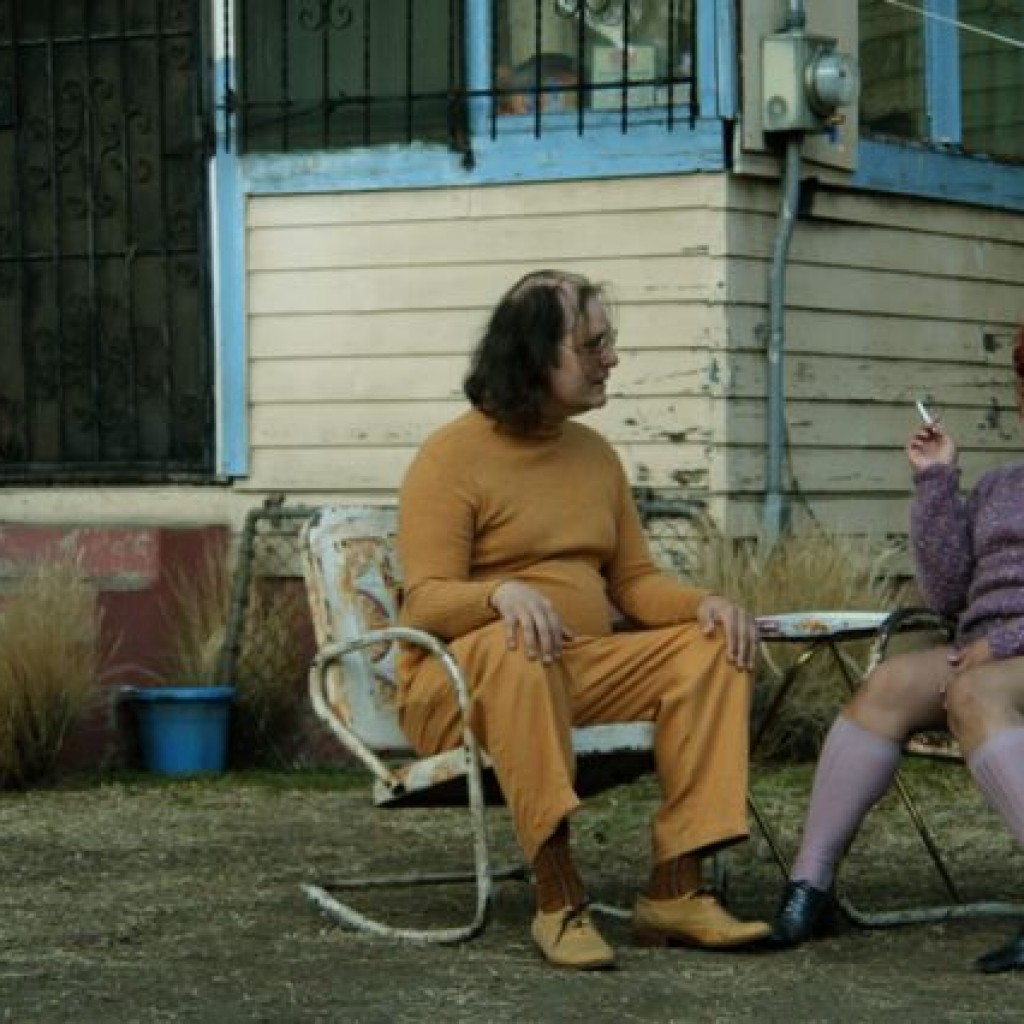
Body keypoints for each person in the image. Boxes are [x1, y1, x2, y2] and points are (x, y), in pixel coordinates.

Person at [396, 269, 769, 970]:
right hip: (461, 689)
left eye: (609, 342)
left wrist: (704, 605)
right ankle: (558, 894)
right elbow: (424, 602)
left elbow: (633, 583)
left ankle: (676, 889)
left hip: (574, 669)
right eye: (593, 345)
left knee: (713, 647)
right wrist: (498, 595)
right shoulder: (449, 459)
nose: (611, 359)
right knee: (519, 647)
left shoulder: (595, 455)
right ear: (535, 356)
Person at [769, 324, 1024, 973]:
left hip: (1001, 655)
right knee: (887, 685)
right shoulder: (1000, 485)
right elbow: (948, 592)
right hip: (984, 654)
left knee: (973, 690)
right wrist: (936, 483)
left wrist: (1005, 640)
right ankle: (811, 886)